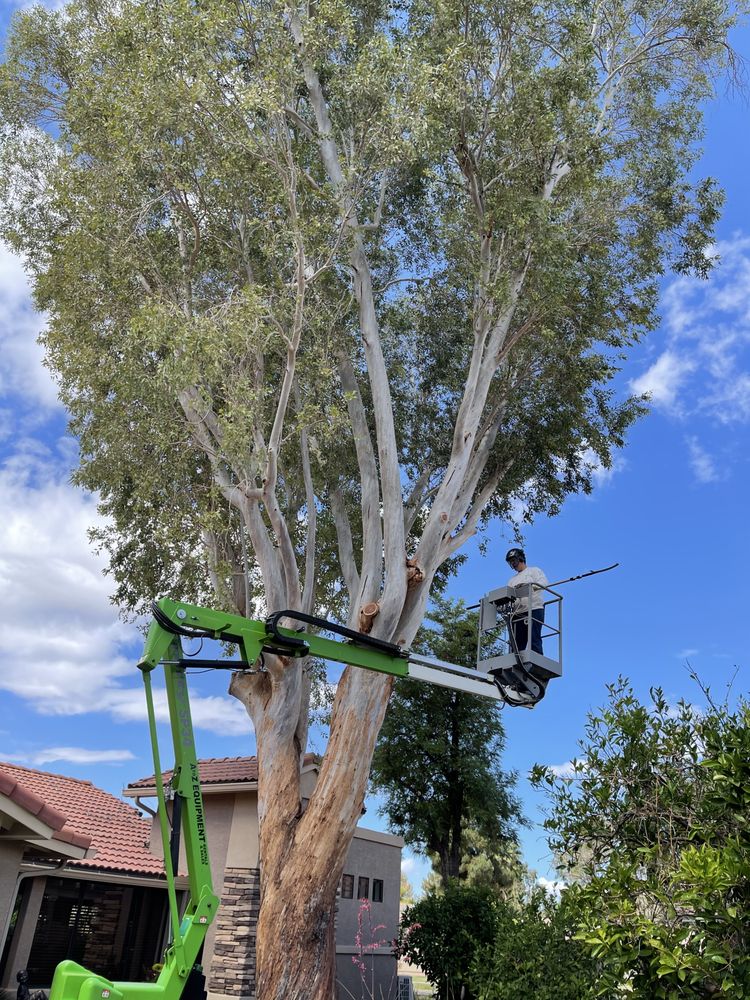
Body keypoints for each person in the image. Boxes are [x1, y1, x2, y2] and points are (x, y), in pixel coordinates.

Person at [505, 548, 548, 656]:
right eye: (511, 562)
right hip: (518, 612)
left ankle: (536, 659)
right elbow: (509, 595)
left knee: (534, 637)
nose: (513, 564)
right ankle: (516, 661)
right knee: (517, 643)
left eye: (514, 561)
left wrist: (529, 586)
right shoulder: (512, 580)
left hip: (534, 608)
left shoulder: (534, 571)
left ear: (520, 559)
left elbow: (543, 583)